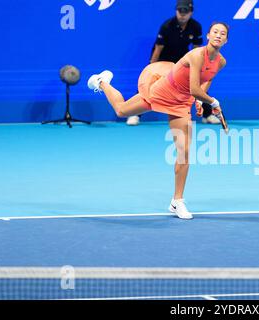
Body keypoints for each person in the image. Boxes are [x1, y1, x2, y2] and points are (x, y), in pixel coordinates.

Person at [87, 22, 229, 219]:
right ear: (208, 35)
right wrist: (211, 101)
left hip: (180, 101)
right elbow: (195, 88)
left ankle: (177, 201)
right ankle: (102, 82)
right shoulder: (197, 55)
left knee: (184, 151)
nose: (219, 35)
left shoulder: (220, 62)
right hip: (161, 91)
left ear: (226, 40)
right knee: (121, 110)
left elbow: (203, 84)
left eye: (223, 34)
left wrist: (198, 99)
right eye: (215, 32)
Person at [126, 0, 221, 126]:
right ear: (176, 11)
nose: (182, 14)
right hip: (163, 60)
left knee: (196, 85)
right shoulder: (167, 26)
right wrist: (151, 67)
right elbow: (158, 48)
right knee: (148, 86)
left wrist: (198, 68)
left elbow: (197, 49)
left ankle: (207, 115)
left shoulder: (196, 27)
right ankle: (134, 114)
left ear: (191, 12)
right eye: (179, 11)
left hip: (183, 61)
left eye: (185, 11)